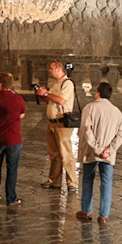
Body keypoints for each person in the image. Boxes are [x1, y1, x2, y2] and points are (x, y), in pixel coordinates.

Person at [76, 82, 122, 224]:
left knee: (88, 180)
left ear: (98, 92)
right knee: (106, 183)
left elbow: (87, 130)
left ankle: (86, 210)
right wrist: (109, 150)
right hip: (108, 155)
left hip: (91, 152)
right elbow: (121, 134)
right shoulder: (117, 112)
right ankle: (104, 214)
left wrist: (98, 149)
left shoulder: (90, 108)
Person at [35, 60, 78, 191]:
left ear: (59, 69)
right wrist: (43, 95)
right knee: (54, 154)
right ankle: (54, 180)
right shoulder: (56, 84)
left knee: (66, 154)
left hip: (62, 123)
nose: (49, 70)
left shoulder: (67, 83)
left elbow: (61, 100)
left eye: (51, 68)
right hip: (52, 123)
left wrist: (47, 93)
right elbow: (51, 101)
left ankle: (72, 182)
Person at [0, 72, 26, 205]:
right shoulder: (18, 99)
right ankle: (11, 198)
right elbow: (22, 114)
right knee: (12, 168)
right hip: (13, 139)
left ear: (0, 84)